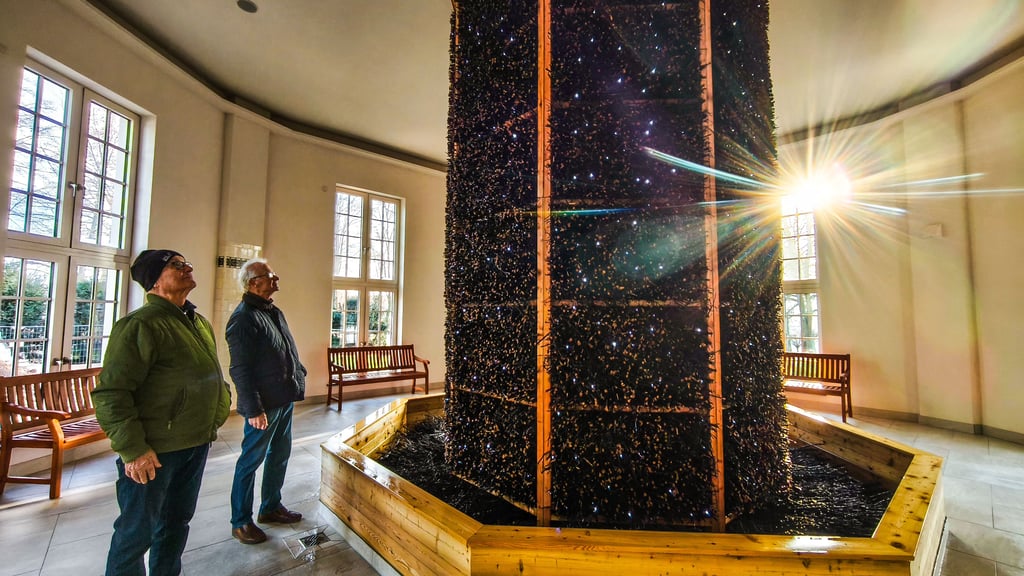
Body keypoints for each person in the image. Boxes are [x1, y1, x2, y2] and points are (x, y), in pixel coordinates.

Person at [92, 249, 232, 576]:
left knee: (175, 525)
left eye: (186, 262)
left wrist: (218, 406)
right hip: (154, 453)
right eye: (176, 265)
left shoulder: (197, 322)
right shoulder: (140, 325)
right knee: (135, 534)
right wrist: (133, 450)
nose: (188, 267)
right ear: (155, 281)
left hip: (194, 444)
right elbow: (112, 393)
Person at [226, 258, 307, 545]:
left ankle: (271, 506)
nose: (276, 278)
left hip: (283, 397)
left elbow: (285, 349)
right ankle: (241, 521)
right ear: (253, 282)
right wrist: (253, 408)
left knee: (279, 455)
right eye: (270, 275)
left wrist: (298, 373)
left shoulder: (273, 311)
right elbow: (240, 369)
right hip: (265, 405)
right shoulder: (243, 318)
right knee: (251, 460)